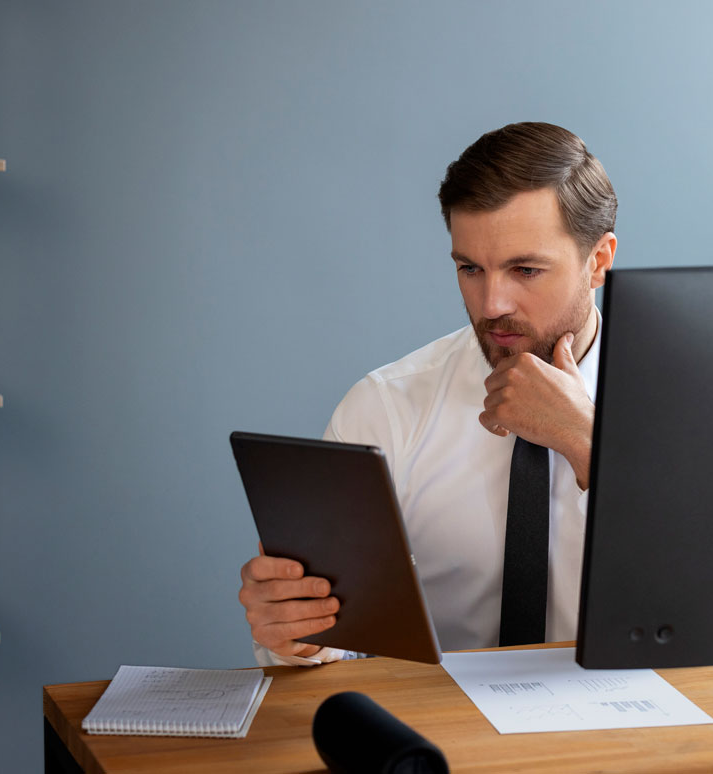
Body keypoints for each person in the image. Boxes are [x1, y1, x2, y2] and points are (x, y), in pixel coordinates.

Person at [239, 122, 618, 666]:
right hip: (435, 714)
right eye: (471, 268)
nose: (491, 304)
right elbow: (329, 648)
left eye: (525, 269)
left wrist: (589, 442)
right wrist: (300, 637)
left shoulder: (686, 408)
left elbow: (712, 592)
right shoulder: (385, 409)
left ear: (598, 261)